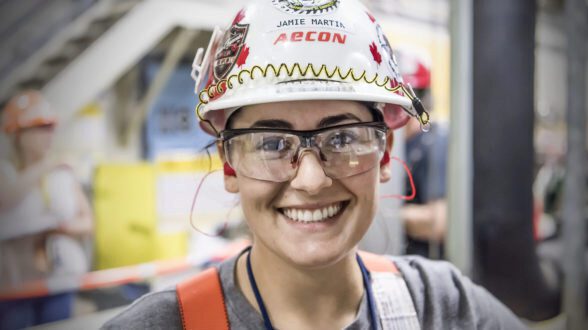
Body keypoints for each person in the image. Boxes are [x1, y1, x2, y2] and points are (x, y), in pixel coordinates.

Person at [104, 1, 526, 329]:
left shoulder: (445, 308)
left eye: (342, 138)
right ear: (229, 166)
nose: (311, 179)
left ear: (384, 153)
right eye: (271, 143)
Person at [0, 90, 93, 329]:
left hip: (59, 280)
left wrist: (63, 228)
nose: (49, 135)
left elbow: (87, 222)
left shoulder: (62, 174)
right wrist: (47, 165)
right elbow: (6, 199)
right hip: (15, 287)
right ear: (18, 134)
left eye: (51, 127)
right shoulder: (7, 173)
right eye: (41, 127)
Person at [394, 48, 449, 259]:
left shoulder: (437, 141)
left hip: (426, 267)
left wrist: (383, 215)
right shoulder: (393, 143)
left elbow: (440, 222)